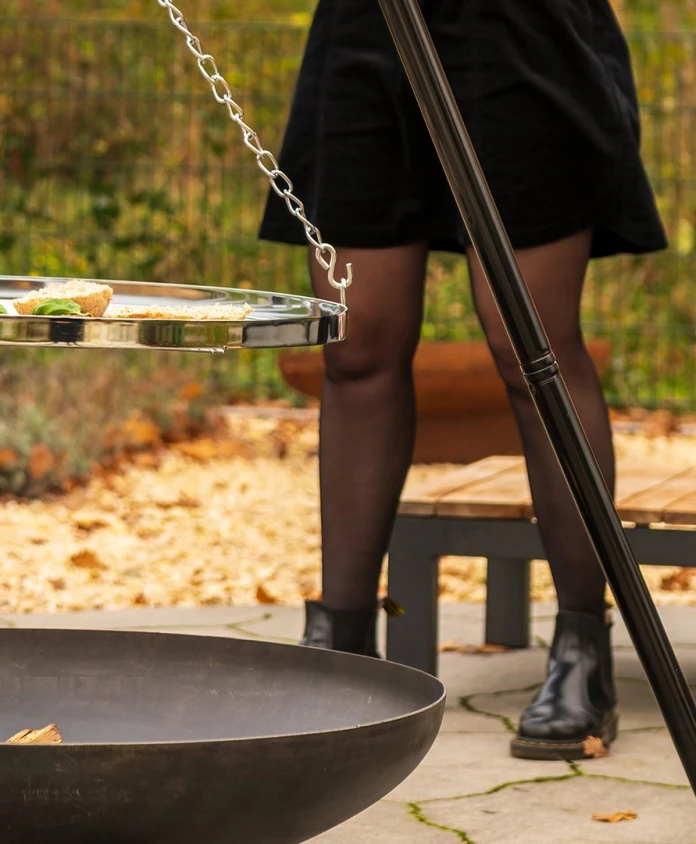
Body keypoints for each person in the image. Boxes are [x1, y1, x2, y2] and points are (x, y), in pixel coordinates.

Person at [257, 0, 667, 761]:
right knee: (356, 346)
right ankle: (342, 645)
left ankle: (582, 648)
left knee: (530, 345)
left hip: (521, 28)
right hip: (369, 27)